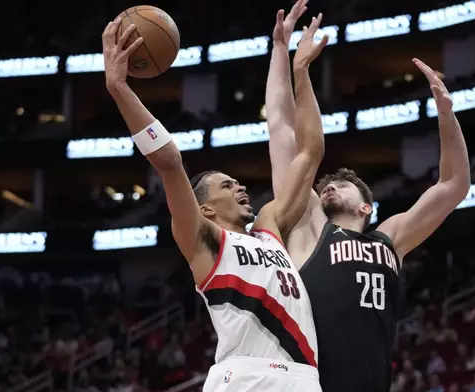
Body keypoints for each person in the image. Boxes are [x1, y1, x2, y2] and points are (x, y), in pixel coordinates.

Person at [101, 2, 328, 389]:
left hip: (304, 378)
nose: (241, 186)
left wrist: (300, 72)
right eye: (227, 185)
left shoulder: (269, 225)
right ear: (205, 208)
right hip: (245, 376)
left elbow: (310, 152)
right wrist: (119, 88)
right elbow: (171, 162)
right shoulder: (205, 242)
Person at [267, 53, 471, 390]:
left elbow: (453, 186)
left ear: (366, 208)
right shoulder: (311, 227)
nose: (329, 186)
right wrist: (291, 62)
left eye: (342, 185)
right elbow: (282, 133)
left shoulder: (390, 238)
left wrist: (447, 115)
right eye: (326, 187)